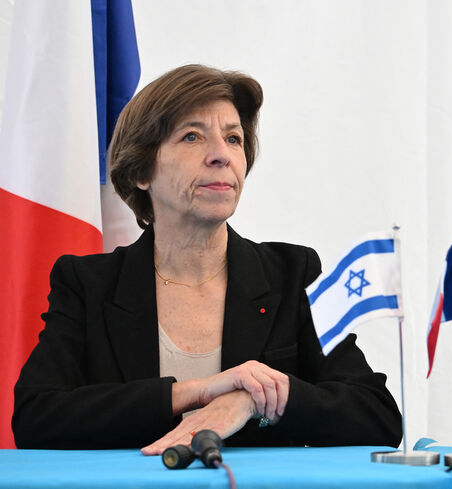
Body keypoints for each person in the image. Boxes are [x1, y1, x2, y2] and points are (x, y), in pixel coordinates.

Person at [12, 65, 402, 453]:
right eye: (192, 136)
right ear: (141, 171)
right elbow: (35, 417)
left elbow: (376, 414)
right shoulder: (87, 283)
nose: (221, 155)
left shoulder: (292, 274)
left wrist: (254, 400)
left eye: (233, 139)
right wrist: (194, 393)